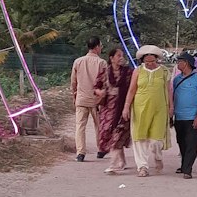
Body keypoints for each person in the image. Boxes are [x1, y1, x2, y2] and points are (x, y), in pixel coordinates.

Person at [122, 46, 171, 177]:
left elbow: (169, 91)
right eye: (147, 62)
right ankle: (142, 166)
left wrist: (171, 107)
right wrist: (126, 107)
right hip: (140, 109)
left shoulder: (164, 71)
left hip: (159, 110)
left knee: (156, 141)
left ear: (157, 60)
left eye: (152, 61)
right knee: (140, 138)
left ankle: (158, 157)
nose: (149, 64)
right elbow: (132, 90)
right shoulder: (138, 71)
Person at [94, 45, 133, 173]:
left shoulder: (128, 72)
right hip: (107, 110)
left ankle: (114, 164)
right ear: (111, 58)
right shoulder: (104, 72)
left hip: (123, 109)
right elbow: (96, 87)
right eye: (118, 56)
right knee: (107, 133)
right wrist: (100, 92)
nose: (121, 58)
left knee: (118, 135)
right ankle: (122, 162)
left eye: (122, 56)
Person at [171, 52, 197, 178]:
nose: (177, 64)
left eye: (179, 61)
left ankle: (187, 169)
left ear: (186, 63)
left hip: (192, 117)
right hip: (179, 117)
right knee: (181, 142)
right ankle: (184, 165)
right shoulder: (176, 79)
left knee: (192, 143)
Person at [70, 35, 106, 162]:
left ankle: (80, 153)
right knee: (99, 126)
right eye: (100, 46)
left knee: (80, 127)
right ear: (96, 47)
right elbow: (105, 82)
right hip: (96, 101)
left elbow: (73, 82)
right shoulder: (102, 63)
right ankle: (101, 149)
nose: (101, 48)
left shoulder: (78, 61)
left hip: (81, 99)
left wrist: (74, 95)